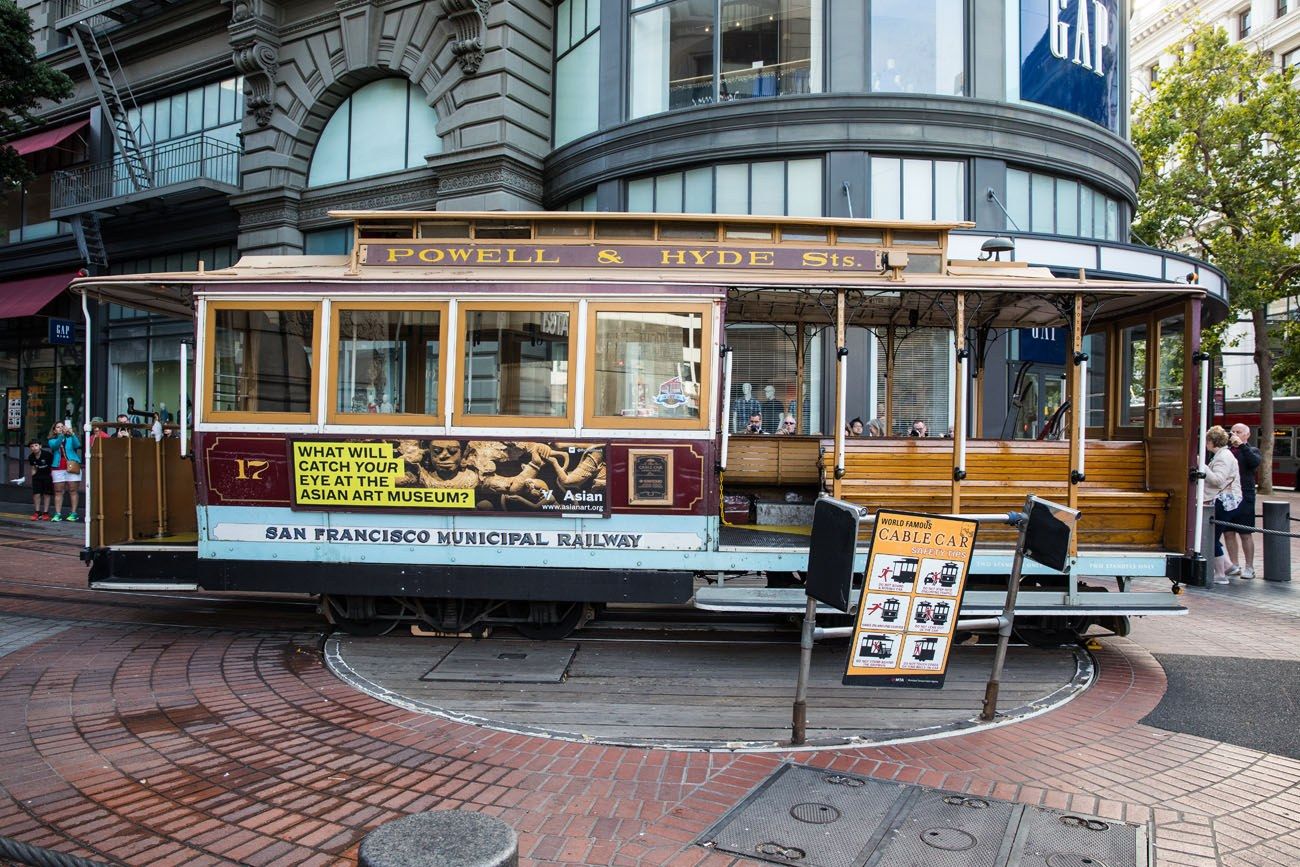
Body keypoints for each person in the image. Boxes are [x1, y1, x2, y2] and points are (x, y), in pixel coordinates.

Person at [1200, 425, 1241, 584]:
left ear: (1212, 441)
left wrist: (1202, 466)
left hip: (1222, 501)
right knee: (1214, 536)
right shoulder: (1223, 455)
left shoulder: (1223, 457)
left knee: (1212, 537)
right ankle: (1229, 566)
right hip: (1226, 501)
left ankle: (1220, 574)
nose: (1205, 443)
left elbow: (1218, 480)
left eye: (1207, 440)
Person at [1222, 423, 1262, 579]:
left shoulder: (1252, 450)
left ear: (1247, 435)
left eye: (1238, 432)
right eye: (1232, 432)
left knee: (1245, 533)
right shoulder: (1226, 452)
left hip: (1245, 496)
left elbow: (1254, 463)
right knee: (1228, 532)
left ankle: (1250, 567)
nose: (1234, 434)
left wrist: (1242, 446)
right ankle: (1234, 565)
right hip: (1228, 495)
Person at [48, 421, 83, 523]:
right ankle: (58, 513)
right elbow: (55, 446)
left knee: (73, 490)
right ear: (54, 430)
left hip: (72, 466)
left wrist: (72, 434)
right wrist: (61, 436)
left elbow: (77, 445)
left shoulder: (70, 438)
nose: (60, 428)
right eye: (58, 427)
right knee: (58, 491)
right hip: (58, 467)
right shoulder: (52, 440)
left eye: (62, 426)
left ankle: (73, 513)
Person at [25, 440, 54, 521]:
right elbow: (33, 467)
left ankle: (45, 513)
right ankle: (37, 512)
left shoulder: (47, 455)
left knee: (46, 494)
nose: (34, 448)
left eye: (36, 445)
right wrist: (32, 475)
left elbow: (53, 465)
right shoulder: (31, 457)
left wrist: (52, 475)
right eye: (32, 446)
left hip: (47, 476)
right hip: (37, 477)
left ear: (40, 446)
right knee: (36, 494)